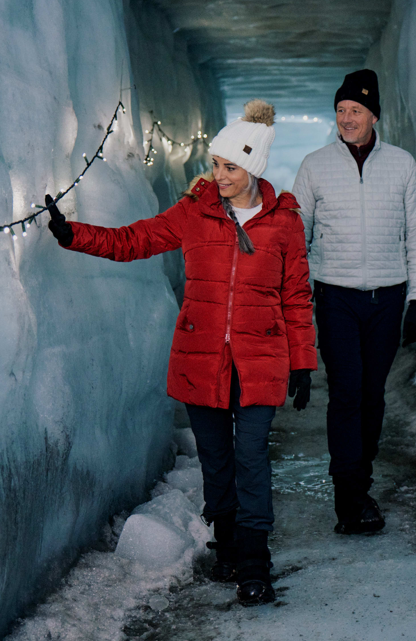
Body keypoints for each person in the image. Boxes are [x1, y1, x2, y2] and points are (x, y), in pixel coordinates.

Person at [46, 100, 316, 606]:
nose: (219, 175)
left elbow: (296, 295)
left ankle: (255, 559)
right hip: (201, 357)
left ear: (253, 168)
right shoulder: (196, 210)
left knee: (251, 456)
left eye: (230, 167)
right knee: (216, 459)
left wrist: (303, 361)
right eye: (215, 164)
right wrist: (72, 235)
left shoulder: (285, 223)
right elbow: (137, 239)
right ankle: (229, 545)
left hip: (260, 360)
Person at [292, 69, 416, 535]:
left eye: (355, 110)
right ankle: (349, 497)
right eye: (340, 110)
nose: (346, 119)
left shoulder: (402, 165)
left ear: (374, 115)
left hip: (387, 298)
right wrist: (297, 296)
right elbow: (297, 236)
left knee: (373, 395)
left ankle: (360, 480)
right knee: (347, 393)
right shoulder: (315, 165)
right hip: (335, 296)